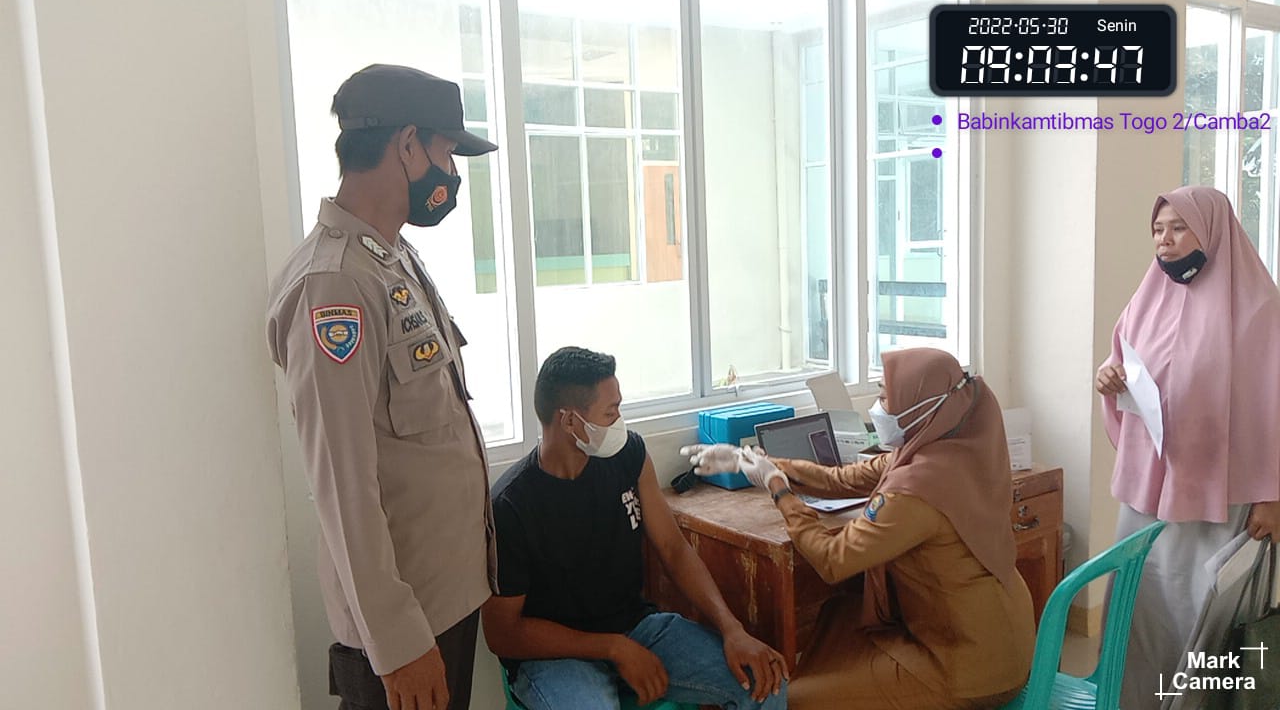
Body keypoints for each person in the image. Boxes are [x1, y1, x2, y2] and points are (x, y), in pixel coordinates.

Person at [266, 64, 499, 710]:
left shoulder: (392, 258)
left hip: (442, 598)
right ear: (407, 145)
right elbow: (343, 485)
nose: (450, 174)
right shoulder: (334, 285)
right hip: (402, 625)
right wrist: (397, 642)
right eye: (446, 153)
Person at [683, 348, 1035, 709]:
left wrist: (778, 489)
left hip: (970, 668)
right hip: (999, 632)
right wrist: (750, 461)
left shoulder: (918, 489)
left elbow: (833, 559)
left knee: (793, 701)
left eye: (885, 396)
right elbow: (842, 479)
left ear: (920, 406)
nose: (877, 407)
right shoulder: (953, 447)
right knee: (839, 614)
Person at [482, 347, 788, 710]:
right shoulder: (512, 505)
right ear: (569, 421)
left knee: (766, 683)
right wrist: (613, 648)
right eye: (610, 412)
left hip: (636, 628)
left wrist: (731, 628)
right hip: (556, 656)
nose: (619, 422)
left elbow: (674, 549)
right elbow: (503, 634)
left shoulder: (628, 456)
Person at [1094, 185, 1280, 709]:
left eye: (1179, 228)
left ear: (1213, 232)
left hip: (1220, 495)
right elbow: (1123, 365)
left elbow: (1273, 405)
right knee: (1140, 606)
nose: (1165, 240)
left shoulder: (1260, 309)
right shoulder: (1145, 300)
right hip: (1147, 492)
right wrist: (1108, 378)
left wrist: (1273, 495)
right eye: (1158, 229)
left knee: (1200, 613)